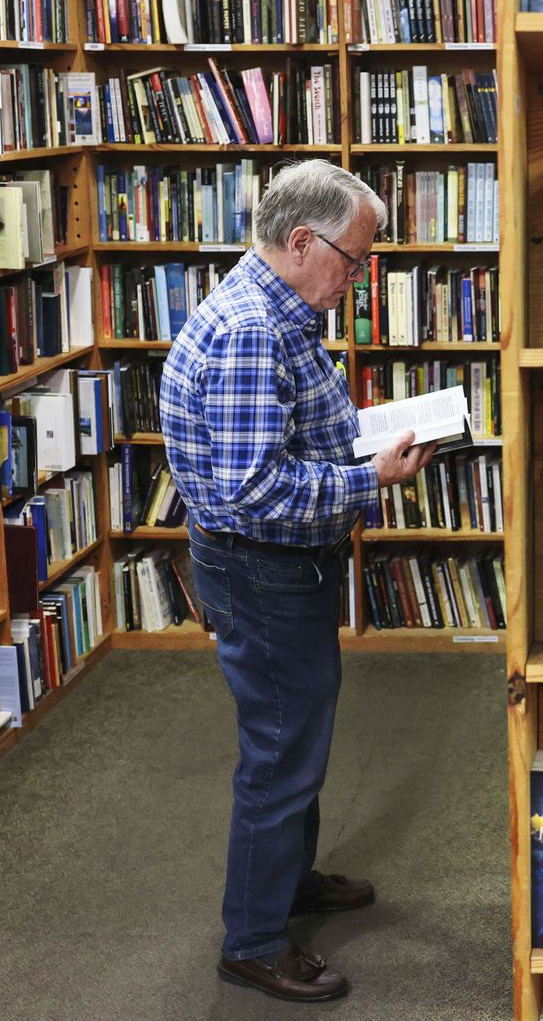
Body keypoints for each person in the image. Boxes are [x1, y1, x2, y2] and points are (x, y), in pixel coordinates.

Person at [160, 161, 438, 1000]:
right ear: (302, 241)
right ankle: (252, 936)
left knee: (301, 738)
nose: (360, 279)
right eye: (355, 260)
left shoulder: (281, 310)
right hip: (264, 569)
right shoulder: (252, 330)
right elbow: (255, 490)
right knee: (282, 750)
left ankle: (286, 880)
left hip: (278, 566)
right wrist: (371, 481)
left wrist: (372, 435)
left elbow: (297, 428)